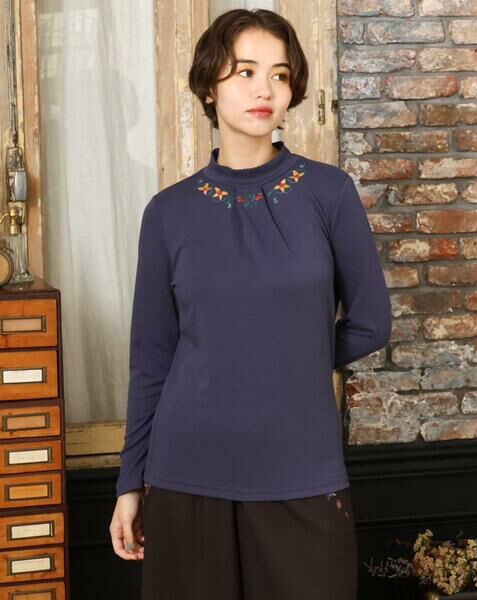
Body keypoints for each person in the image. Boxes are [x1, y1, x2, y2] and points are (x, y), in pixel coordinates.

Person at [109, 8, 392, 600]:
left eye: (279, 75)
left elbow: (371, 322)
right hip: (186, 471)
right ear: (209, 86)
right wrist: (129, 482)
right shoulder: (168, 213)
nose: (265, 89)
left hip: (301, 465)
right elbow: (152, 358)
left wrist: (285, 354)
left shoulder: (329, 193)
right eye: (245, 71)